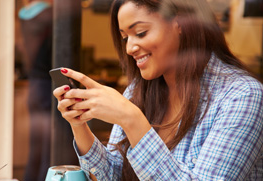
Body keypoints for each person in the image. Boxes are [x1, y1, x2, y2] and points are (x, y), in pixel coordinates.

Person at [53, 0, 263, 180]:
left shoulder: (243, 96)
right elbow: (115, 175)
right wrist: (79, 123)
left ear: (180, 22)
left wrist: (133, 120)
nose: (129, 48)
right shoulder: (138, 90)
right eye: (125, 37)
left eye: (140, 33)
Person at [18, 1, 53, 180]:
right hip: (48, 87)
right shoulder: (49, 15)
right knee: (50, 148)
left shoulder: (24, 16)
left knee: (36, 147)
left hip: (34, 86)